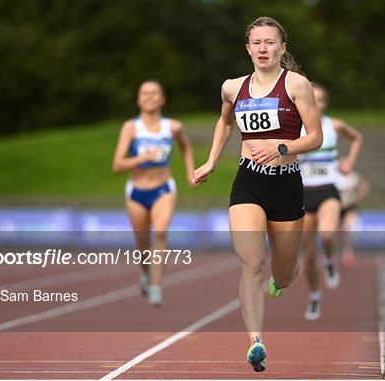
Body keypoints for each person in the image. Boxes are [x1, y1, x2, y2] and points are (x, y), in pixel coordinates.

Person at [192, 17, 322, 372]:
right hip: (248, 180)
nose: (263, 49)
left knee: (283, 272)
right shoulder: (233, 88)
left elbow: (316, 137)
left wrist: (283, 148)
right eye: (257, 43)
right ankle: (255, 342)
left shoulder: (296, 84)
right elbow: (225, 122)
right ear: (247, 48)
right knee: (252, 262)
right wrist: (210, 161)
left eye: (270, 42)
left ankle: (283, 281)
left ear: (282, 47)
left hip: (286, 182)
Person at [112, 80, 194, 307]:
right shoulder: (131, 128)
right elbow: (117, 165)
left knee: (159, 233)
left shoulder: (173, 127)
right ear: (138, 99)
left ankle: (157, 286)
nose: (149, 97)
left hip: (163, 189)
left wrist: (190, 172)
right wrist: (142, 158)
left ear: (162, 99)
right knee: (142, 244)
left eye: (154, 93)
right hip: (137, 191)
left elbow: (186, 147)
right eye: (144, 93)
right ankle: (146, 274)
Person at [299, 83, 363, 321]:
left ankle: (330, 260)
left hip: (328, 190)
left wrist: (349, 164)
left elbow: (357, 138)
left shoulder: (333, 125)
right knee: (308, 255)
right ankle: (315, 297)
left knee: (327, 235)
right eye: (311, 99)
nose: (316, 104)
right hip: (303, 193)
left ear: (325, 103)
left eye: (320, 99)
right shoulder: (295, 127)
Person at [336, 171, 371, 268]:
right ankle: (341, 252)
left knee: (348, 229)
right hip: (337, 207)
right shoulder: (333, 175)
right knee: (338, 233)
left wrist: (357, 197)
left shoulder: (352, 176)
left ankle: (348, 253)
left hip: (350, 207)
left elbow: (364, 185)